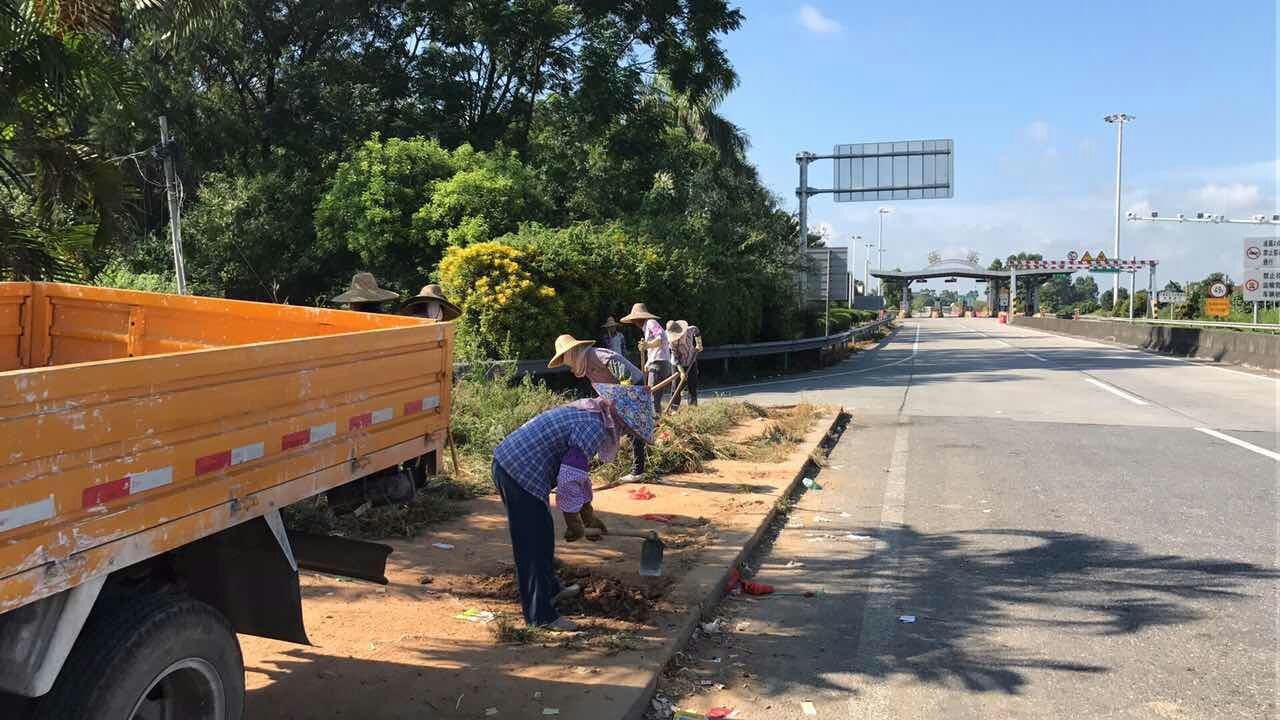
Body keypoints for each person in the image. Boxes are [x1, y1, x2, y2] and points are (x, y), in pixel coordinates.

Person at [491, 383, 655, 630]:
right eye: (629, 428)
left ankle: (551, 589)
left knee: (542, 535)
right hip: (518, 470)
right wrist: (573, 521)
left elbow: (579, 475)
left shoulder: (594, 414)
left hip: (515, 466)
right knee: (532, 545)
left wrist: (588, 515)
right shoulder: (593, 427)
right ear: (622, 418)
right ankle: (540, 616)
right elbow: (569, 478)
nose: (626, 433)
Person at [547, 334, 649, 483]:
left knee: (633, 427)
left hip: (632, 385)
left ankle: (638, 471)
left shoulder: (596, 355)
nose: (565, 361)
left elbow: (622, 370)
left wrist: (624, 392)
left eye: (564, 356)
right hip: (615, 392)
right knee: (609, 424)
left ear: (572, 351)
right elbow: (601, 385)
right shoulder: (584, 364)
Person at [620, 302, 673, 413]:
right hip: (657, 362)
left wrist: (647, 345)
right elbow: (655, 348)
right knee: (654, 397)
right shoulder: (647, 327)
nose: (635, 323)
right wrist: (648, 362)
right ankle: (658, 418)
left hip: (659, 363)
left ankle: (655, 420)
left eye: (635, 320)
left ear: (639, 318)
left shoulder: (651, 322)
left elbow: (660, 339)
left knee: (651, 397)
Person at [666, 319, 703, 409]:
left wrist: (699, 343)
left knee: (692, 384)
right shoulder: (671, 341)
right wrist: (682, 372)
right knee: (676, 386)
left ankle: (693, 407)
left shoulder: (689, 330)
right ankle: (674, 409)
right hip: (677, 364)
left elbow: (697, 330)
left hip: (691, 360)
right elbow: (676, 357)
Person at [331, 272, 399, 313]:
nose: (350, 306)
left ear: (355, 305)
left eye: (351, 304)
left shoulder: (350, 322)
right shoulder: (388, 320)